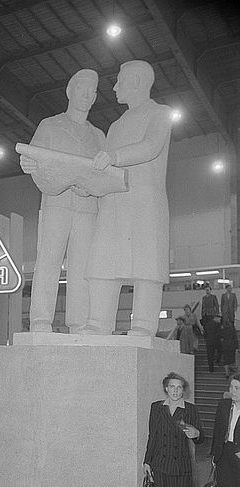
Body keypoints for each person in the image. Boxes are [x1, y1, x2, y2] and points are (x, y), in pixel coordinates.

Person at [83, 60, 172, 336]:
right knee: (102, 261)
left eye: (120, 81)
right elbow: (104, 169)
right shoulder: (116, 126)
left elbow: (151, 146)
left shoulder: (161, 113)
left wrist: (114, 157)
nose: (115, 86)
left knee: (146, 266)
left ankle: (144, 325)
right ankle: (99, 323)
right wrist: (86, 185)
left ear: (137, 81)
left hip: (145, 201)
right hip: (113, 202)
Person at [19, 69, 105, 333]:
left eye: (92, 91)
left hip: (87, 208)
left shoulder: (98, 136)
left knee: (82, 268)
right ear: (70, 91)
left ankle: (79, 322)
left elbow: (104, 178)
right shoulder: (50, 126)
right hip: (56, 203)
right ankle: (41, 320)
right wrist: (29, 164)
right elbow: (35, 162)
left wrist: (91, 188)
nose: (87, 94)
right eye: (82, 88)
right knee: (48, 262)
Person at [143, 372, 205, 487]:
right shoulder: (156, 408)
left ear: (183, 390)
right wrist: (147, 461)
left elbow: (201, 436)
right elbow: (152, 436)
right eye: (172, 386)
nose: (175, 391)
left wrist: (197, 433)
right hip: (161, 463)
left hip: (181, 463)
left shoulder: (190, 409)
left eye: (179, 387)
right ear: (166, 388)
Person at [211, 374, 240, 487]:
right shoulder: (223, 405)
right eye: (231, 387)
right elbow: (217, 429)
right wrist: (214, 456)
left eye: (237, 388)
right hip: (224, 455)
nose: (232, 391)